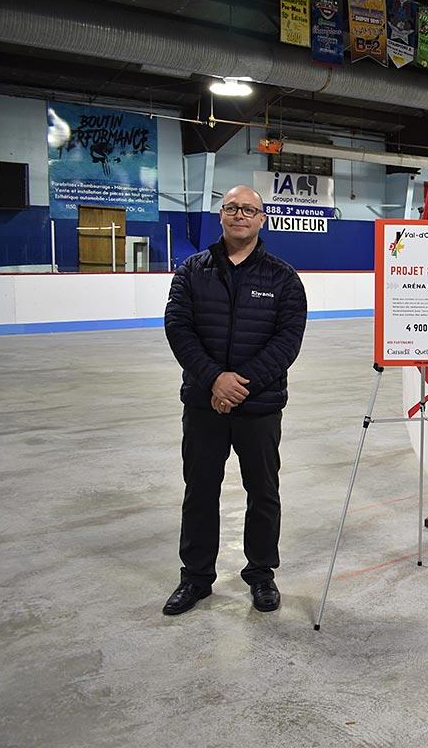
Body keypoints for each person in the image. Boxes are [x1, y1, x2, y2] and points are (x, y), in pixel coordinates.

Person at [162, 185, 307, 616]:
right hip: (204, 404)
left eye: (249, 209)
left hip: (259, 407)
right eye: (232, 208)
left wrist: (239, 385)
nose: (239, 214)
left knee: (262, 492)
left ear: (263, 219)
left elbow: (287, 342)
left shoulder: (283, 278)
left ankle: (261, 574)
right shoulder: (192, 271)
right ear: (221, 215)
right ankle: (195, 578)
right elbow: (178, 328)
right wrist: (214, 381)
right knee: (200, 491)